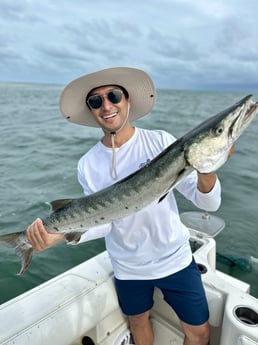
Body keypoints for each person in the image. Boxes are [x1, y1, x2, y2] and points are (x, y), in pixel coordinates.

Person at [27, 67, 223, 345]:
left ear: (128, 100)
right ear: (91, 110)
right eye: (96, 101)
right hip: (128, 267)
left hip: (176, 259)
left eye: (114, 95)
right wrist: (57, 236)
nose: (106, 105)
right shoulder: (88, 163)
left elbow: (208, 202)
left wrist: (208, 167)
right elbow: (104, 221)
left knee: (200, 333)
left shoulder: (161, 142)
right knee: (138, 322)